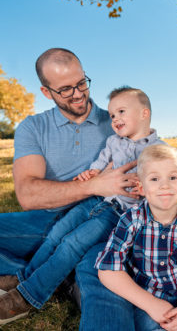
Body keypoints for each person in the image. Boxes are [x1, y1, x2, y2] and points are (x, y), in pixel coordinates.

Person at [0, 87, 164, 324]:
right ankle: (24, 278)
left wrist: (149, 189)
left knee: (72, 243)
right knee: (56, 234)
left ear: (144, 113)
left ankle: (27, 297)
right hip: (97, 200)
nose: (115, 119)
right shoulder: (113, 141)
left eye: (121, 112)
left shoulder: (159, 150)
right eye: (112, 115)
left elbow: (169, 183)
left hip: (119, 215)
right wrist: (93, 173)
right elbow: (101, 162)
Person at [96, 144, 177, 331]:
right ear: (141, 187)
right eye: (154, 178)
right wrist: (150, 304)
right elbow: (108, 269)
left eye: (173, 177)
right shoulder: (131, 220)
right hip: (145, 300)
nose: (164, 185)